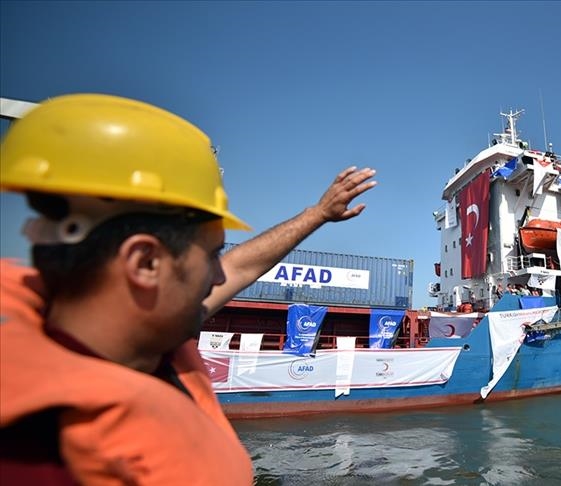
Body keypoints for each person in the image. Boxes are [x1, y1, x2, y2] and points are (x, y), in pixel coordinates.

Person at [0, 93, 376, 484]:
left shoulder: (147, 329)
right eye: (211, 256)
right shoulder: (41, 463)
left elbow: (240, 266)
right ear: (145, 263)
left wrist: (318, 214)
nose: (218, 276)